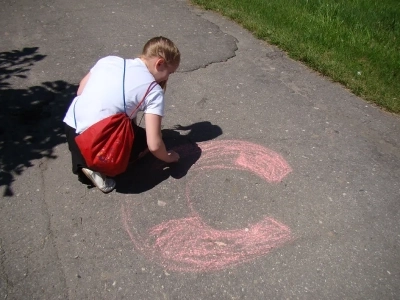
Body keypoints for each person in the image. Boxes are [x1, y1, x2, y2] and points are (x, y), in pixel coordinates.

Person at [63, 36, 181, 193]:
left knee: (124, 127)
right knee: (146, 142)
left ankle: (82, 160)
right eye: (169, 72)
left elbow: (80, 91)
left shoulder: (110, 60)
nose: (167, 78)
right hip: (96, 144)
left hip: (71, 127)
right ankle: (96, 167)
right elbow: (154, 145)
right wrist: (168, 157)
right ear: (159, 64)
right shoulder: (153, 91)